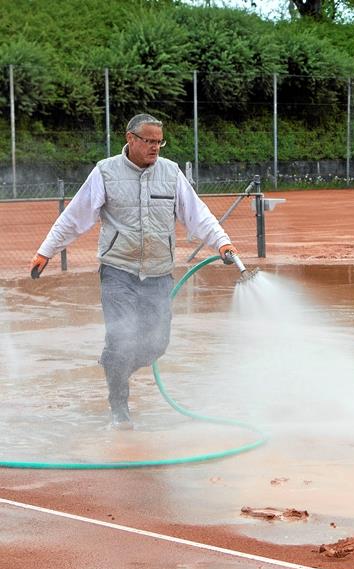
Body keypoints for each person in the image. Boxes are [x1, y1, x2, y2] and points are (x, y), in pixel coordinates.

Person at [30, 113, 239, 430]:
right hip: (119, 272)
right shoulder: (106, 172)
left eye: (159, 141)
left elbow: (198, 214)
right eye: (149, 141)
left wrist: (222, 243)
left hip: (158, 274)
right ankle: (119, 407)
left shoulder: (170, 173)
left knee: (157, 344)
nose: (155, 147)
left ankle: (115, 365)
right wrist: (46, 251)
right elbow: (76, 216)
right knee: (120, 338)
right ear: (130, 139)